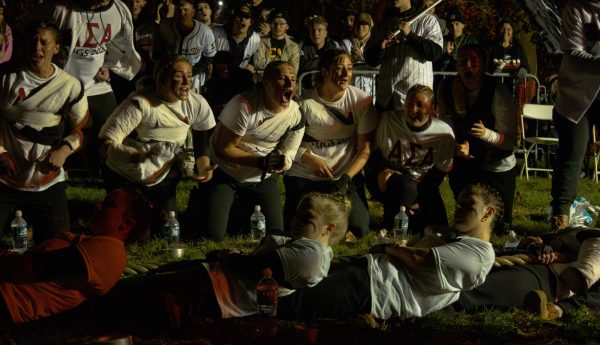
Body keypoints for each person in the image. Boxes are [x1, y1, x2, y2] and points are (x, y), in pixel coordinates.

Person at [85, 192, 351, 327]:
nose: (295, 222)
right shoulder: (305, 245)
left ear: (328, 228)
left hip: (213, 293)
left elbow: (259, 269)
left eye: (306, 220)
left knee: (123, 297)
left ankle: (69, 303)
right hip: (213, 279)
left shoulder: (312, 256)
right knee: (139, 283)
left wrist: (228, 255)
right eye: (296, 215)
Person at [278, 183, 498, 321]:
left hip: (374, 290)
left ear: (488, 213)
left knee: (291, 303)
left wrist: (385, 247)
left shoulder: (479, 254)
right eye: (458, 204)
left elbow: (416, 258)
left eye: (468, 205)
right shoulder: (454, 238)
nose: (458, 210)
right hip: (370, 271)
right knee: (292, 277)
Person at [186, 60, 304, 241]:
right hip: (225, 171)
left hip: (261, 176)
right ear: (267, 84)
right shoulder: (244, 106)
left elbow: (290, 150)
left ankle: (241, 210)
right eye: (283, 79)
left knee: (274, 235)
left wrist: (281, 162)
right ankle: (204, 201)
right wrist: (260, 161)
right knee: (212, 235)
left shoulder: (296, 114)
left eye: (294, 80)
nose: (290, 84)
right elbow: (224, 149)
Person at [99, 55, 216, 235]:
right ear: (162, 78)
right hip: (126, 175)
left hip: (161, 176)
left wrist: (203, 167)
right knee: (136, 235)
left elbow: (201, 139)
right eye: (179, 76)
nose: (186, 82)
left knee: (167, 230)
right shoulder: (140, 103)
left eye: (189, 75)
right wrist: (133, 156)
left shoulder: (197, 103)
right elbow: (105, 144)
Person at [0, 187, 152, 324]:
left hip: (9, 300)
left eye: (108, 204)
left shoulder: (108, 253)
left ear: (126, 223)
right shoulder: (94, 243)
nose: (97, 205)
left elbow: (29, 268)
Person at [0, 21, 88, 243]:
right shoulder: (6, 78)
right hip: (6, 177)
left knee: (55, 248)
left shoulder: (70, 85)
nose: (37, 47)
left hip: (46, 179)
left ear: (56, 47)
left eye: (44, 42)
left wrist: (65, 150)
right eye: (32, 41)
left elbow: (82, 128)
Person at [283, 49, 377, 238]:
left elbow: (365, 149)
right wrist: (310, 159)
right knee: (296, 229)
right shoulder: (304, 104)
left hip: (342, 176)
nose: (345, 74)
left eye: (349, 69)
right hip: (306, 175)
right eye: (339, 68)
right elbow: (287, 146)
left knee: (359, 229)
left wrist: (346, 178)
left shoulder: (362, 101)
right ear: (325, 72)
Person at [52, 0, 142, 177]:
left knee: (112, 130)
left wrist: (109, 66)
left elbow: (120, 43)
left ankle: (111, 176)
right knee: (71, 130)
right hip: (67, 84)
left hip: (97, 84)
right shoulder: (63, 10)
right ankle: (58, 171)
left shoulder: (119, 10)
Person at [437, 44, 517, 231]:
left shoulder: (497, 91)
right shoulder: (446, 88)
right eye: (463, 60)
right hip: (467, 159)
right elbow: (445, 125)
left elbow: (510, 140)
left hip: (495, 163)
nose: (468, 66)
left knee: (500, 226)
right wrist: (455, 145)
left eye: (474, 61)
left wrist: (487, 134)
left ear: (482, 66)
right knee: (470, 220)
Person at [367, 84, 454, 234]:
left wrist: (421, 199)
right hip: (391, 178)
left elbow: (440, 172)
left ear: (431, 108)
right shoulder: (388, 121)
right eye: (409, 104)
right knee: (405, 187)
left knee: (438, 226)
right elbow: (372, 155)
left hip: (423, 182)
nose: (413, 110)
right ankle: (391, 224)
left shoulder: (444, 132)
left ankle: (409, 214)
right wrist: (380, 172)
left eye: (420, 105)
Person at [550, 0, 600, 232]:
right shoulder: (575, 8)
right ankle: (560, 217)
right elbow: (573, 50)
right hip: (576, 95)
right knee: (572, 154)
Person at [363, 0, 443, 111]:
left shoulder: (427, 20)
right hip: (385, 99)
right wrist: (380, 48)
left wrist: (410, 35)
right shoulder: (382, 25)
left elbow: (435, 53)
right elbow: (370, 59)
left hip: (415, 101)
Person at [153, 0, 217, 91]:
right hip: (169, 75)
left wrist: (190, 71)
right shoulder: (165, 26)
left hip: (193, 78)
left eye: (186, 10)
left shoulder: (205, 32)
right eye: (179, 10)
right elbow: (157, 52)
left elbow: (210, 58)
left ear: (193, 12)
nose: (182, 13)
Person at [202, 50, 255, 116]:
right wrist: (218, 107)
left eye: (227, 68)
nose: (225, 72)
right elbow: (209, 105)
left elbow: (252, 97)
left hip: (244, 113)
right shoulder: (213, 82)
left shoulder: (245, 76)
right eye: (221, 71)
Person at [212, 4, 261, 71]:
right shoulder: (216, 32)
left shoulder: (255, 39)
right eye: (240, 16)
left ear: (250, 22)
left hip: (240, 78)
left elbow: (253, 58)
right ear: (233, 18)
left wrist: (251, 65)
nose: (242, 19)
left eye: (246, 17)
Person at [252, 8, 300, 73]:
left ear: (287, 26)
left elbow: (293, 69)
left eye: (281, 24)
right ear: (270, 25)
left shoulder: (293, 46)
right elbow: (257, 63)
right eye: (274, 23)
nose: (277, 27)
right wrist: (283, 66)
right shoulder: (261, 42)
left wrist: (270, 64)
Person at [298, 15, 339, 89]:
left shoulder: (334, 45)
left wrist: (312, 63)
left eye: (319, 30)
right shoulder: (302, 45)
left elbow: (335, 64)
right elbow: (303, 65)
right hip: (307, 88)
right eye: (313, 30)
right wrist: (325, 60)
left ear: (325, 33)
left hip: (329, 87)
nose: (316, 33)